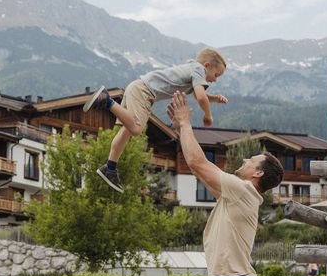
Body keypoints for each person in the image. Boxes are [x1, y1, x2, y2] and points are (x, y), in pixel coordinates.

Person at [166, 90, 283, 276]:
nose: (244, 159)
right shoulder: (237, 196)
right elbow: (201, 172)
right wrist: (180, 129)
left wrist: (186, 123)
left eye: (250, 160)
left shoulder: (243, 191)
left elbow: (197, 163)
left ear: (258, 173)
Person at [84, 47, 230, 192]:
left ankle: (110, 167)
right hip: (144, 92)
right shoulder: (199, 70)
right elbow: (200, 97)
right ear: (207, 66)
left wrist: (213, 99)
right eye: (216, 75)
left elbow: (199, 94)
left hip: (138, 87)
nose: (215, 80)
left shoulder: (193, 68)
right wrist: (207, 115)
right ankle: (106, 100)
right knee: (136, 128)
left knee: (126, 131)